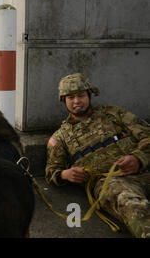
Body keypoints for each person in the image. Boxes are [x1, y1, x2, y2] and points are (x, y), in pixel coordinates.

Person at [45, 73, 149, 238]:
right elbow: (51, 170)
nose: (77, 101)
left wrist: (138, 158)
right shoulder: (59, 137)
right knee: (133, 206)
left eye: (81, 95)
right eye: (70, 97)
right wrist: (65, 174)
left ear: (89, 95)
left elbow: (147, 135)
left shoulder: (113, 113)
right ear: (64, 101)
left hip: (145, 169)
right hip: (112, 183)